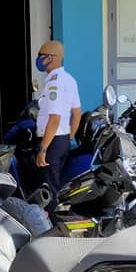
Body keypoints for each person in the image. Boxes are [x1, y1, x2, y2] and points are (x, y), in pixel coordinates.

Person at [34, 40, 82, 203]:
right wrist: (69, 137)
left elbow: (54, 118)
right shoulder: (69, 79)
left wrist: (43, 149)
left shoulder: (54, 83)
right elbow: (77, 113)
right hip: (62, 141)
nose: (38, 59)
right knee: (57, 184)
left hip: (51, 143)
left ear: (51, 57)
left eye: (41, 55)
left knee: (49, 189)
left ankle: (51, 218)